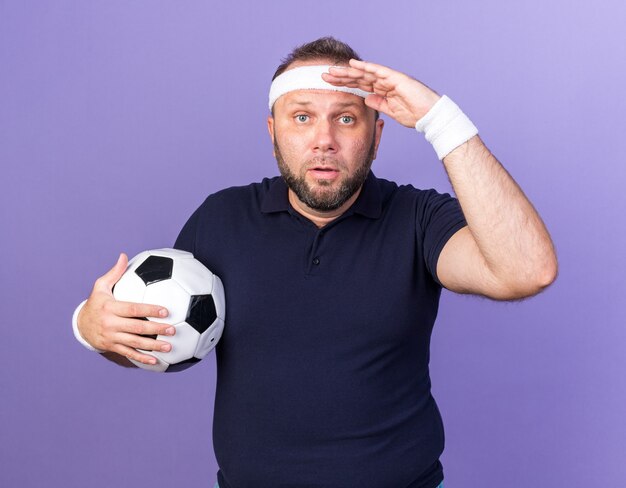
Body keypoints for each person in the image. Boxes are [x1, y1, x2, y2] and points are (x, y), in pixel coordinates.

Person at [72, 37, 557, 488]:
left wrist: (440, 119)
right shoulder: (221, 217)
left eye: (346, 118)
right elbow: (161, 343)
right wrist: (93, 329)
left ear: (377, 134)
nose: (324, 139)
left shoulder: (418, 218)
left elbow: (525, 270)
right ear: (273, 131)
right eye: (301, 117)